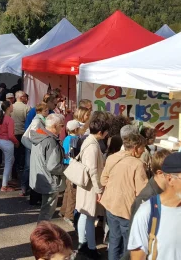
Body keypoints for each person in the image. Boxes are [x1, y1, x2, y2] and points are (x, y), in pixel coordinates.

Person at [100, 132, 149, 260]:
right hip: (127, 209)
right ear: (136, 147)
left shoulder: (112, 158)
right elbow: (142, 192)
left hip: (110, 204)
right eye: (142, 147)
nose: (144, 150)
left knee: (114, 239)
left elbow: (103, 181)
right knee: (129, 243)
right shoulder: (137, 165)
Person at [75, 111, 110, 258]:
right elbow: (93, 170)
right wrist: (99, 190)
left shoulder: (89, 141)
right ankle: (90, 247)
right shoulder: (93, 146)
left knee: (85, 215)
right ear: (101, 132)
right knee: (90, 217)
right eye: (106, 132)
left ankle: (83, 243)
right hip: (90, 186)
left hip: (85, 185)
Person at [30, 114, 66, 222]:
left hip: (41, 178)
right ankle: (42, 236)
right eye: (61, 125)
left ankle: (42, 234)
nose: (62, 127)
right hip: (50, 181)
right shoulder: (51, 141)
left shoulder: (39, 135)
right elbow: (53, 166)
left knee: (45, 209)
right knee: (47, 212)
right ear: (55, 126)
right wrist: (68, 168)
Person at [21, 102, 51, 200]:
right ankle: (33, 196)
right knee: (33, 169)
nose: (47, 112)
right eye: (45, 110)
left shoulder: (41, 119)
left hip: (34, 146)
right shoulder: (37, 121)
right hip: (33, 146)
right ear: (39, 111)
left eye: (47, 110)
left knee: (35, 170)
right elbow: (33, 135)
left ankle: (34, 196)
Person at [59, 120, 83, 222]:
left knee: (68, 189)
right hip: (73, 165)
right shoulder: (76, 139)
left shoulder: (66, 138)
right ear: (76, 129)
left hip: (66, 165)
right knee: (73, 191)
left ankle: (63, 210)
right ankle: (69, 214)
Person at [0, 101, 20, 192]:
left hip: (0, 141)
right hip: (7, 142)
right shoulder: (10, 120)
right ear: (8, 108)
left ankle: (7, 180)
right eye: (11, 105)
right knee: (8, 164)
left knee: (9, 161)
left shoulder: (0, 119)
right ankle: (4, 185)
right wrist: (16, 142)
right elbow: (10, 135)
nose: (13, 106)